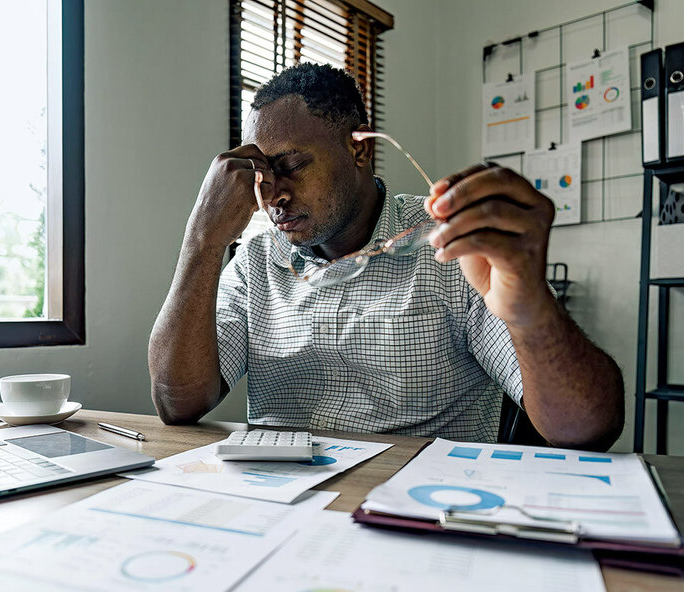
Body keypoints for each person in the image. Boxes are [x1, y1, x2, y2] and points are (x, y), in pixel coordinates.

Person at [148, 63, 624, 450]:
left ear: (359, 150)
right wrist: (202, 242)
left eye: (291, 165)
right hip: (283, 511)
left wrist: (530, 307)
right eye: (263, 174)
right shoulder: (255, 263)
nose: (275, 194)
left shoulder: (451, 246)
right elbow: (178, 404)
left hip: (422, 509)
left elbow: (587, 430)